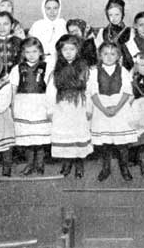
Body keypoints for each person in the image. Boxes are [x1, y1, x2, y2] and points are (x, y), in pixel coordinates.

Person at [88, 42, 138, 182]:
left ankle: (124, 167)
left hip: (120, 109)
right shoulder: (94, 72)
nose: (109, 57)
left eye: (113, 54)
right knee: (105, 144)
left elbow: (127, 92)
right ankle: (106, 168)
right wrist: (104, 109)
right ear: (99, 55)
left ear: (118, 56)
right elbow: (93, 93)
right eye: (105, 54)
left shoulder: (123, 71)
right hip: (101, 109)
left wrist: (116, 108)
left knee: (122, 144)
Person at [47, 34, 93, 178]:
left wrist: (89, 108)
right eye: (64, 49)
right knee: (64, 135)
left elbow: (90, 90)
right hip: (62, 107)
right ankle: (66, 163)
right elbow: (51, 90)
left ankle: (79, 164)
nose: (68, 52)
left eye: (72, 49)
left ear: (78, 50)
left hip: (79, 105)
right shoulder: (56, 70)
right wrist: (50, 109)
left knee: (78, 133)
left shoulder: (84, 68)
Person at [10, 37, 51, 175]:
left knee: (39, 138)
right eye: (28, 52)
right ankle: (29, 164)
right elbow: (13, 88)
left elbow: (50, 88)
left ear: (40, 52)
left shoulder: (46, 67)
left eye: (34, 51)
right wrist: (13, 105)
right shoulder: (18, 68)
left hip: (40, 104)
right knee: (27, 138)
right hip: (24, 105)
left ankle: (40, 164)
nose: (31, 55)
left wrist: (50, 106)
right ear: (23, 53)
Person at [28, 0, 67, 68]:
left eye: (55, 8)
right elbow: (30, 45)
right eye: (48, 8)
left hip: (60, 63)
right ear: (43, 9)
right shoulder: (37, 25)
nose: (52, 12)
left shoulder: (63, 24)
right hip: (40, 62)